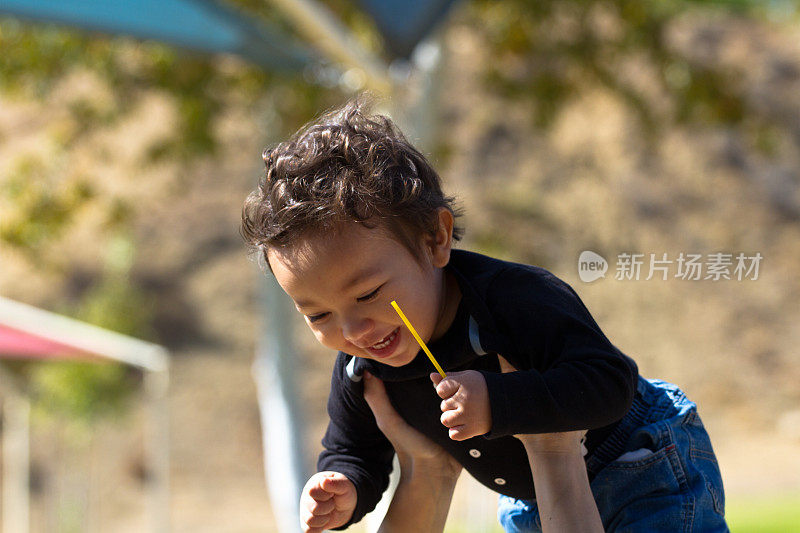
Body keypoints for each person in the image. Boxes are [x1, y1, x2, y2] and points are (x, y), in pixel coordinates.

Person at [240, 96, 728, 532]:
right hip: (530, 499)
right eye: (318, 315)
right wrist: (342, 487)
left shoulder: (516, 300)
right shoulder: (360, 366)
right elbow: (354, 449)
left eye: (367, 293)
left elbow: (608, 380)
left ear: (436, 239)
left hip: (636, 458)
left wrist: (500, 400)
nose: (352, 329)